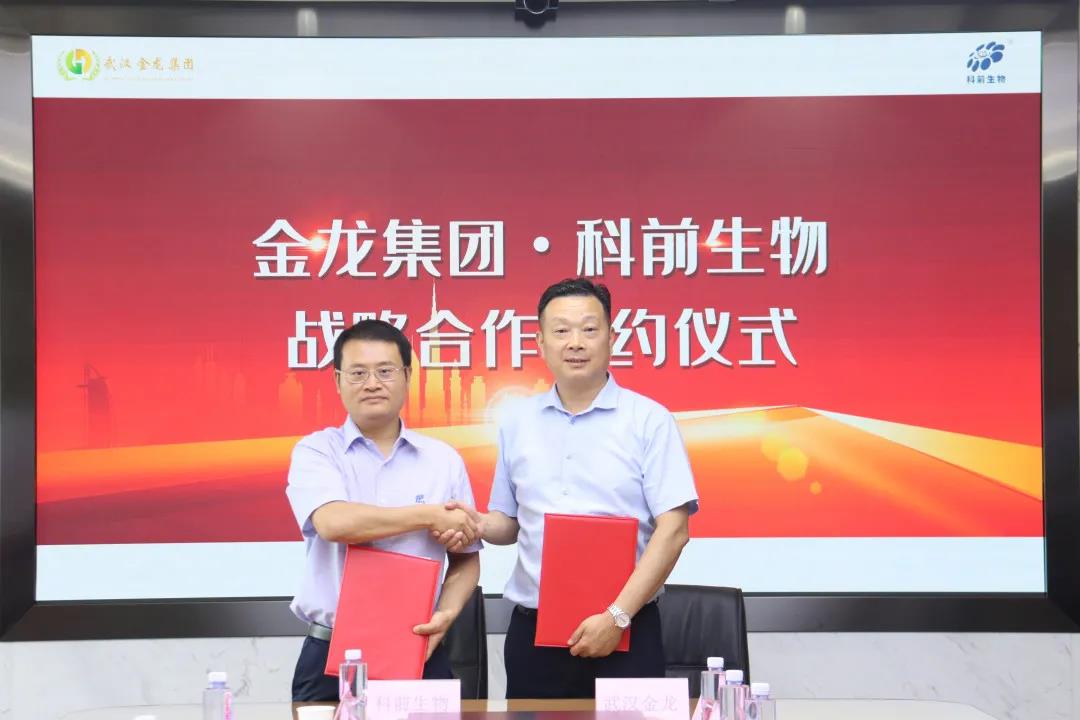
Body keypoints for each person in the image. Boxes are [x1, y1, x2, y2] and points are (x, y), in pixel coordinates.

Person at [441, 277, 699, 698]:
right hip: (534, 635)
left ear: (611, 338)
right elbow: (510, 524)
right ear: (541, 343)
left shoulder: (649, 420)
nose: (575, 342)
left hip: (626, 631)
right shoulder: (518, 422)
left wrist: (616, 617)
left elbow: (674, 530)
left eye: (589, 329)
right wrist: (476, 524)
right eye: (561, 330)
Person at [286, 319, 481, 702]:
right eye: (358, 372)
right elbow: (334, 523)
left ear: (407, 376)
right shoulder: (316, 451)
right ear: (338, 380)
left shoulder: (443, 460)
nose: (372, 383)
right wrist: (429, 515)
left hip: (420, 649)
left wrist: (446, 613)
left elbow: (466, 559)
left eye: (385, 371)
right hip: (332, 655)